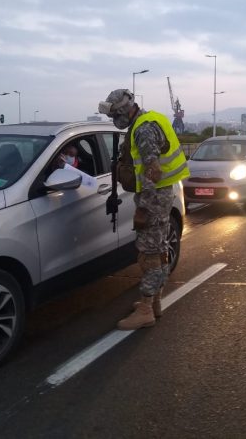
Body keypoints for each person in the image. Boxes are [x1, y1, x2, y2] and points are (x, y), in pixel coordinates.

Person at [98, 88, 190, 330]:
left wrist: (143, 209)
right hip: (161, 194)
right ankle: (155, 302)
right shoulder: (150, 119)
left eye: (114, 114)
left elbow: (153, 170)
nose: (113, 120)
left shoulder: (143, 128)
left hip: (155, 196)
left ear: (122, 110)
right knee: (158, 251)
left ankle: (147, 308)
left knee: (148, 253)